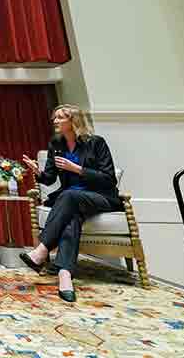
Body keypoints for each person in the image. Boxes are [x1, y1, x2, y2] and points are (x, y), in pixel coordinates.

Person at [19, 103, 124, 302]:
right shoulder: (56, 144)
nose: (55, 121)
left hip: (99, 196)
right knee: (71, 217)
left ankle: (42, 250)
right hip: (72, 200)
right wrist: (38, 172)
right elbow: (49, 178)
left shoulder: (96, 143)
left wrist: (77, 169)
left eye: (60, 117)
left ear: (73, 120)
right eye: (54, 117)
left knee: (67, 196)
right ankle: (64, 275)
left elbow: (108, 178)